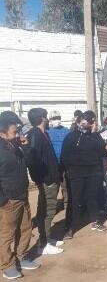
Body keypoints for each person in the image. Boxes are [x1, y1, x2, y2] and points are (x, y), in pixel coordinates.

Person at [0, 117, 41, 279]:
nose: (17, 134)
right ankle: (7, 265)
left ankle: (22, 257)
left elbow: (29, 162)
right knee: (6, 234)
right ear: (2, 134)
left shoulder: (15, 146)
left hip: (22, 195)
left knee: (26, 229)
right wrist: (3, 200)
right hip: (9, 199)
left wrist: (26, 146)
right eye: (14, 132)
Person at [62, 111, 107, 237]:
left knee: (93, 198)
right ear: (79, 123)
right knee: (74, 200)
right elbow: (64, 156)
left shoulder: (95, 136)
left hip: (94, 173)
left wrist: (95, 134)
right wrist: (69, 170)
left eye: (91, 122)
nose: (87, 125)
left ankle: (95, 221)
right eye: (85, 122)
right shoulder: (71, 136)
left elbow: (102, 152)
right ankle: (70, 227)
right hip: (76, 173)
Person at [25, 108, 63, 254]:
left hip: (51, 178)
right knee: (47, 211)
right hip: (47, 181)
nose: (48, 119)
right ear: (42, 118)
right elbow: (33, 161)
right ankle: (44, 244)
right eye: (46, 117)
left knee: (47, 211)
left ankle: (46, 238)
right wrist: (44, 179)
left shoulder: (43, 133)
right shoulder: (34, 135)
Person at [46, 110, 71, 211]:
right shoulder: (47, 132)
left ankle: (67, 204)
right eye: (54, 118)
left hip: (65, 164)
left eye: (58, 118)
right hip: (53, 165)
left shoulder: (66, 130)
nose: (56, 120)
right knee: (54, 186)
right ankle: (52, 206)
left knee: (65, 185)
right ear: (50, 120)